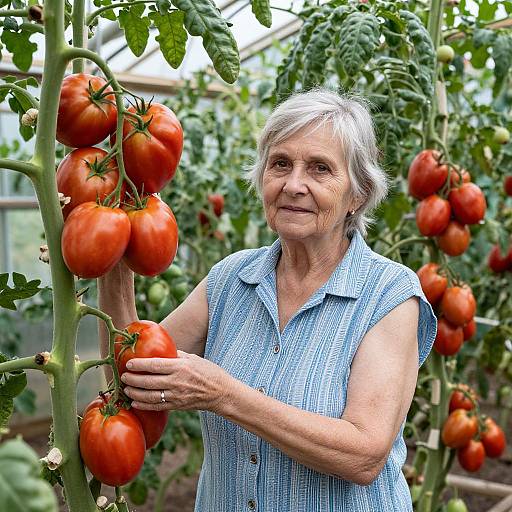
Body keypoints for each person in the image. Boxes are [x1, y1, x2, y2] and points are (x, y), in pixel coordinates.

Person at [98, 88, 437, 512]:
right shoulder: (230, 279)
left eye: (319, 169)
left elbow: (363, 454)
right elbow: (132, 380)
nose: (294, 185)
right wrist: (113, 269)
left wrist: (224, 395)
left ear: (358, 195)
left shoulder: (388, 294)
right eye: (280, 164)